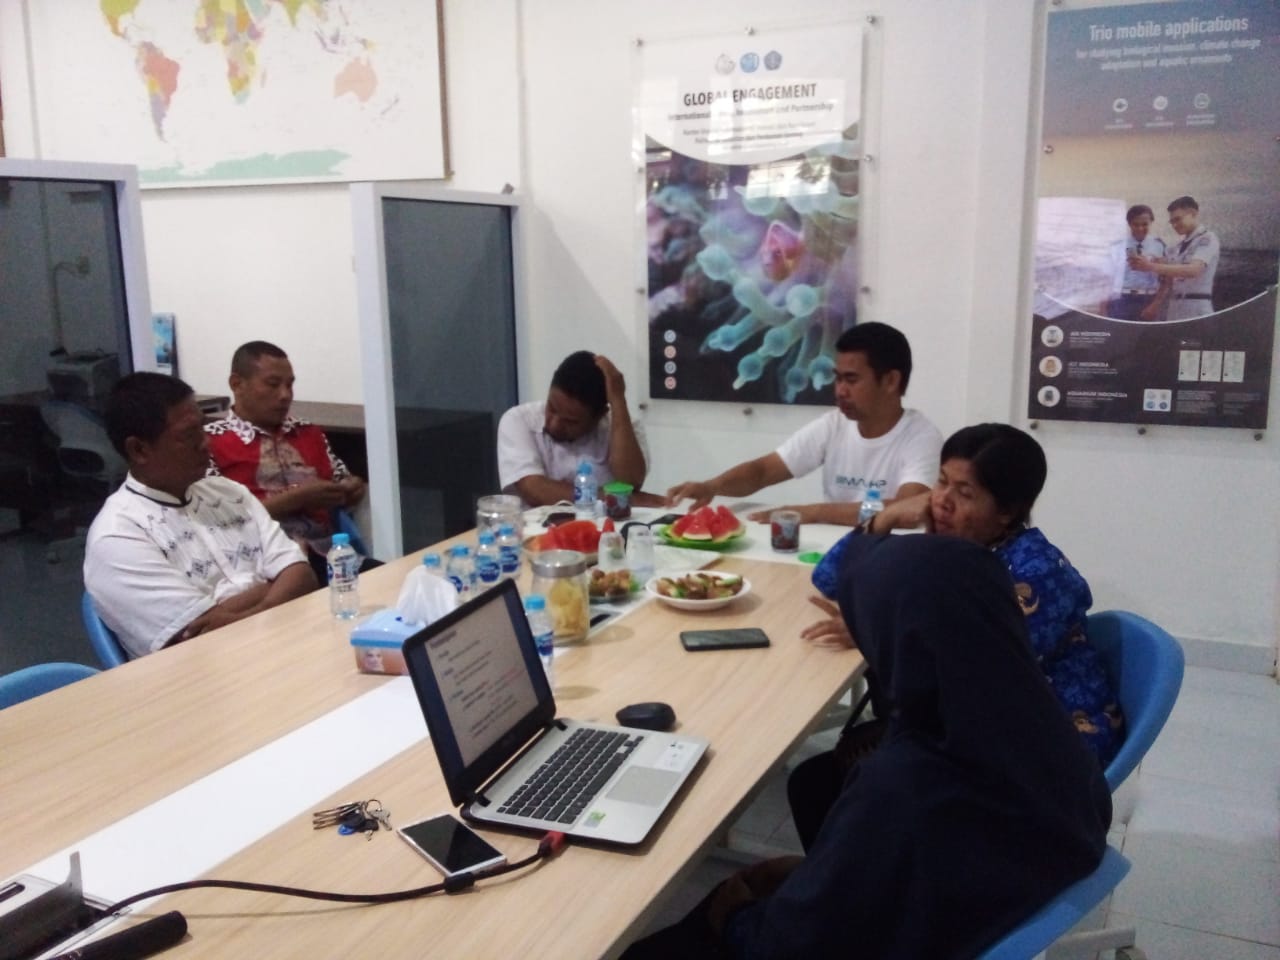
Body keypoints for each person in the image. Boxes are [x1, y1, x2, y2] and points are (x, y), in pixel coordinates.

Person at [622, 534, 1113, 960]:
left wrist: (734, 914)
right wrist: (825, 875)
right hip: (962, 911)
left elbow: (785, 948)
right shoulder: (1045, 730)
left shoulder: (902, 787)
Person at [793, 423, 1123, 849]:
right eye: (941, 482)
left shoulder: (1035, 575)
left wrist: (871, 631)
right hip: (982, 730)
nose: (941, 501)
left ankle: (863, 880)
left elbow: (962, 675)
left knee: (833, 787)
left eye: (964, 493)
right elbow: (830, 579)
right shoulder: (957, 551)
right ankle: (848, 876)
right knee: (820, 784)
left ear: (1007, 511)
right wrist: (886, 518)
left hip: (1046, 760)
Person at [84, 373, 316, 659]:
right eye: (188, 435)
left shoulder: (229, 492)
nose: (205, 443)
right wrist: (272, 585)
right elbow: (199, 639)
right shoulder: (118, 536)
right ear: (139, 449)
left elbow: (303, 576)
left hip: (281, 648)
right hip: (205, 677)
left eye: (202, 429)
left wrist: (248, 608)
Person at [665, 323, 942, 525]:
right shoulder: (833, 424)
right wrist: (712, 487)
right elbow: (763, 471)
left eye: (851, 380)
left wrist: (813, 512)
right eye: (837, 378)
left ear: (891, 381)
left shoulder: (922, 436)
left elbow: (906, 509)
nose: (840, 390)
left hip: (890, 558)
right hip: (837, 551)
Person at [205, 341, 372, 583]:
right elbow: (223, 521)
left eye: (290, 385)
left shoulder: (308, 432)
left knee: (392, 582)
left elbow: (341, 479)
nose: (285, 395)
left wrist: (350, 487)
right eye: (273, 384)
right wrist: (298, 498)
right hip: (261, 570)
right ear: (237, 384)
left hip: (329, 554)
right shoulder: (210, 442)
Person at [497, 351, 648, 507]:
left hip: (605, 523)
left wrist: (618, 401)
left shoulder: (624, 426)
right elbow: (535, 491)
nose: (555, 424)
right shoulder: (519, 420)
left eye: (570, 421)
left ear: (599, 416)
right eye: (552, 408)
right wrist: (616, 498)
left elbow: (630, 482)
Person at [1129, 195, 1219, 322]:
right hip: (1174, 308)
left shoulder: (1207, 239)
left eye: (1178, 219)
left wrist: (1151, 266)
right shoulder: (1176, 248)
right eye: (1172, 222)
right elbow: (1168, 279)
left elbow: (1194, 270)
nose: (1175, 225)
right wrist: (1149, 264)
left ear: (1193, 214)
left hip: (1196, 305)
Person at [1107, 204, 1165, 321]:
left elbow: (1165, 280)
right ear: (1129, 224)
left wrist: (1156, 304)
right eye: (1136, 224)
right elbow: (1108, 279)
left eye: (1145, 224)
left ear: (1151, 222)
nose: (1140, 228)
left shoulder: (1159, 246)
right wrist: (1103, 307)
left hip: (1148, 299)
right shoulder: (1118, 246)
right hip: (1122, 300)